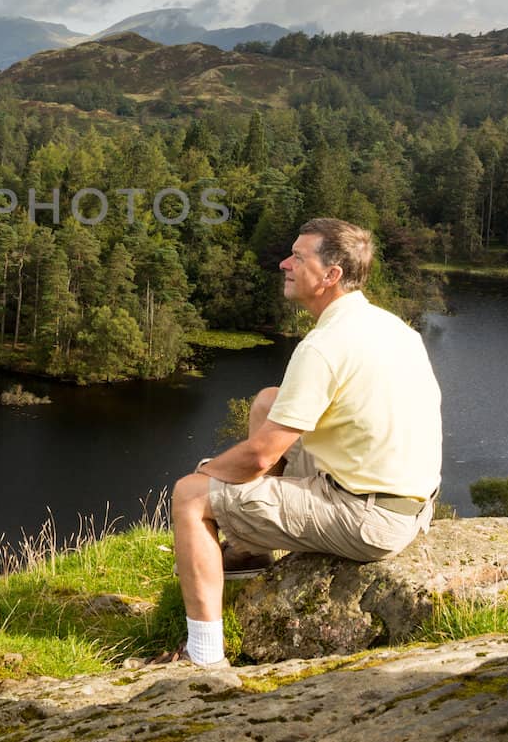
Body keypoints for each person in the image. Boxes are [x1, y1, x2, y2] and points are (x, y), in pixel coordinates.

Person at [156, 217, 443, 667]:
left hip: (370, 518)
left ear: (331, 276)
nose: (284, 264)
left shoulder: (324, 345)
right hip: (407, 501)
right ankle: (252, 551)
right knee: (269, 403)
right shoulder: (391, 327)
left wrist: (204, 473)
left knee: (190, 497)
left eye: (299, 257)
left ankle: (204, 657)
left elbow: (259, 456)